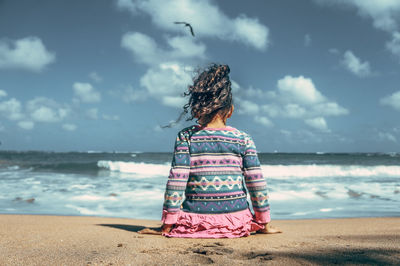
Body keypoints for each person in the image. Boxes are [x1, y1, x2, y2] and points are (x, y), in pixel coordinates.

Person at [160, 64, 281, 238]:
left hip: (196, 223)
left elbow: (176, 181)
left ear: (197, 108)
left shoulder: (186, 137)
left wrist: (167, 225)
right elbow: (256, 183)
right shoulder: (243, 139)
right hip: (237, 223)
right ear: (230, 111)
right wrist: (263, 222)